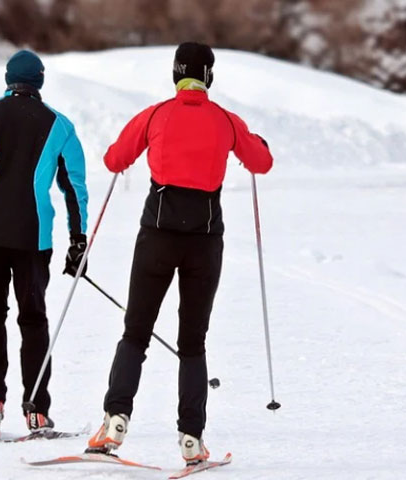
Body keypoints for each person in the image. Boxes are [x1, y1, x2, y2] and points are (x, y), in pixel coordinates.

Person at [86, 42, 273, 464]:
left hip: (157, 236)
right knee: (193, 342)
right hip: (205, 242)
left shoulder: (156, 114)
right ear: (208, 76)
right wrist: (256, 141)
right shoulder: (226, 120)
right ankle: (191, 438)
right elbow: (261, 162)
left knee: (136, 330)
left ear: (175, 74)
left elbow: (114, 159)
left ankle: (115, 419)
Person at [0, 50, 89, 433]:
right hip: (34, 237)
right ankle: (36, 409)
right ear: (39, 81)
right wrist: (78, 240)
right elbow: (73, 188)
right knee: (33, 319)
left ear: (8, 79)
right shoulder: (59, 126)